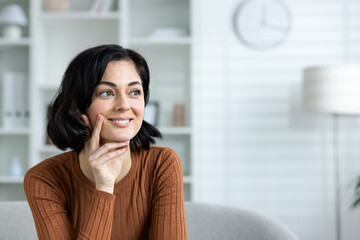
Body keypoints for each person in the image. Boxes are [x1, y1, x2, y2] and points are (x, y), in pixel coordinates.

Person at [24, 44, 187, 240]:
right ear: (78, 105)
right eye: (107, 93)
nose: (124, 105)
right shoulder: (44, 179)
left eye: (134, 92)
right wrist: (104, 189)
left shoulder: (162, 164)